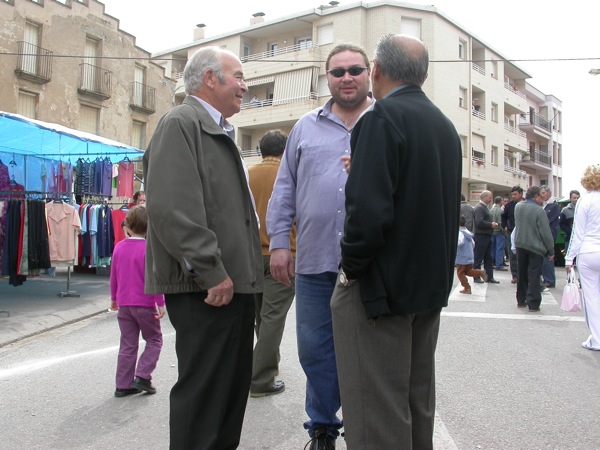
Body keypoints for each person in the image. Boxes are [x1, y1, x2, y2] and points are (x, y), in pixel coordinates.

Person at [330, 34, 462, 450]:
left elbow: (368, 214)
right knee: (415, 400)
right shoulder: (443, 126)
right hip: (427, 288)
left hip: (381, 291)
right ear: (423, 75)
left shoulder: (381, 118)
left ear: (378, 72)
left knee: (376, 410)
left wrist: (351, 268)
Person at [143, 46, 263, 449]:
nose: (245, 86)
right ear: (210, 78)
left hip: (233, 286)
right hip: (208, 289)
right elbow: (173, 209)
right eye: (239, 75)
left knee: (228, 397)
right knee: (204, 400)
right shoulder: (181, 123)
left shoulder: (217, 129)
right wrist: (211, 271)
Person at [267, 43, 374, 449]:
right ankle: (323, 427)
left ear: (369, 73)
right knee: (315, 350)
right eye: (338, 71)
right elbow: (285, 189)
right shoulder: (305, 127)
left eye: (355, 70)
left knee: (369, 350)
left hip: (370, 264)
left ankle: (364, 425)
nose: (346, 77)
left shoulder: (385, 122)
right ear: (326, 78)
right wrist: (280, 243)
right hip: (314, 262)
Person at [248, 130, 295, 398]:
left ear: (261, 150)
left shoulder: (248, 174)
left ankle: (266, 365)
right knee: (273, 317)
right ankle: (261, 378)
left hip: (251, 255)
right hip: (284, 252)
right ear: (285, 150)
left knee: (260, 316)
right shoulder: (289, 174)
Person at [110, 206, 165, 397]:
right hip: (146, 303)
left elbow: (114, 277)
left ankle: (122, 384)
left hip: (125, 304)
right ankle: (142, 375)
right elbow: (154, 277)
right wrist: (161, 302)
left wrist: (114, 299)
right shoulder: (150, 250)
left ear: (128, 226)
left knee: (127, 344)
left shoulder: (119, 247)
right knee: (154, 340)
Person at [565, 165, 600, 350]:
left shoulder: (584, 201)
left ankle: (596, 339)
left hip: (588, 252)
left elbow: (577, 234)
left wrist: (569, 259)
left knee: (591, 297)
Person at [514, 186, 555, 311]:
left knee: (521, 273)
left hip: (520, 244)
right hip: (535, 247)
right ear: (536, 196)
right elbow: (545, 233)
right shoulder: (539, 211)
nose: (542, 200)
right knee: (534, 275)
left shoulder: (518, 207)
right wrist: (550, 249)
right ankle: (533, 302)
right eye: (541, 197)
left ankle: (521, 299)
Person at [473, 190, 500, 284]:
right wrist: (490, 224)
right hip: (481, 236)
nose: (490, 199)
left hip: (487, 236)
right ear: (484, 197)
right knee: (478, 258)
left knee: (488, 257)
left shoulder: (485, 208)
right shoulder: (480, 208)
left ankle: (489, 277)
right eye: (489, 197)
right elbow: (479, 222)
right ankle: (476, 276)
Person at [456, 215, 487, 294]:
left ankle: (467, 287)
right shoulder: (467, 232)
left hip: (462, 256)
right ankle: (479, 272)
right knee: (468, 271)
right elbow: (473, 243)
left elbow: (460, 242)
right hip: (469, 255)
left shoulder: (459, 232)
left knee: (460, 273)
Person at [502, 185, 524, 283]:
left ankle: (523, 275)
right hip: (511, 232)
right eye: (512, 194)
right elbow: (503, 216)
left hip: (523, 232)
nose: (513, 196)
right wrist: (505, 226)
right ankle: (515, 275)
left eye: (515, 194)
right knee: (512, 254)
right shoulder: (509, 205)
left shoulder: (526, 204)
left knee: (523, 254)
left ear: (521, 194)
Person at [490, 196, 507, 271]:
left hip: (492, 231)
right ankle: (499, 265)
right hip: (499, 232)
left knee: (493, 248)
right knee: (499, 248)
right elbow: (500, 223)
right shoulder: (500, 211)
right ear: (501, 202)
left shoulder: (491, 210)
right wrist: (503, 231)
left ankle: (492, 263)